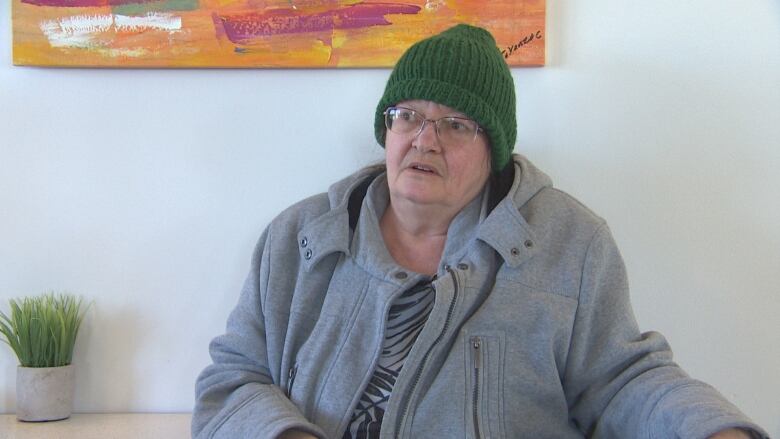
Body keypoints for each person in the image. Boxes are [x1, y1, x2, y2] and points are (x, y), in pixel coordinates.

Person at [192, 24, 768, 439]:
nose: (424, 139)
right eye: (408, 115)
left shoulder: (572, 243)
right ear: (386, 130)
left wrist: (711, 429)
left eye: (456, 124)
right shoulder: (297, 239)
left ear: (494, 149)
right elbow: (234, 378)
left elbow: (621, 380)